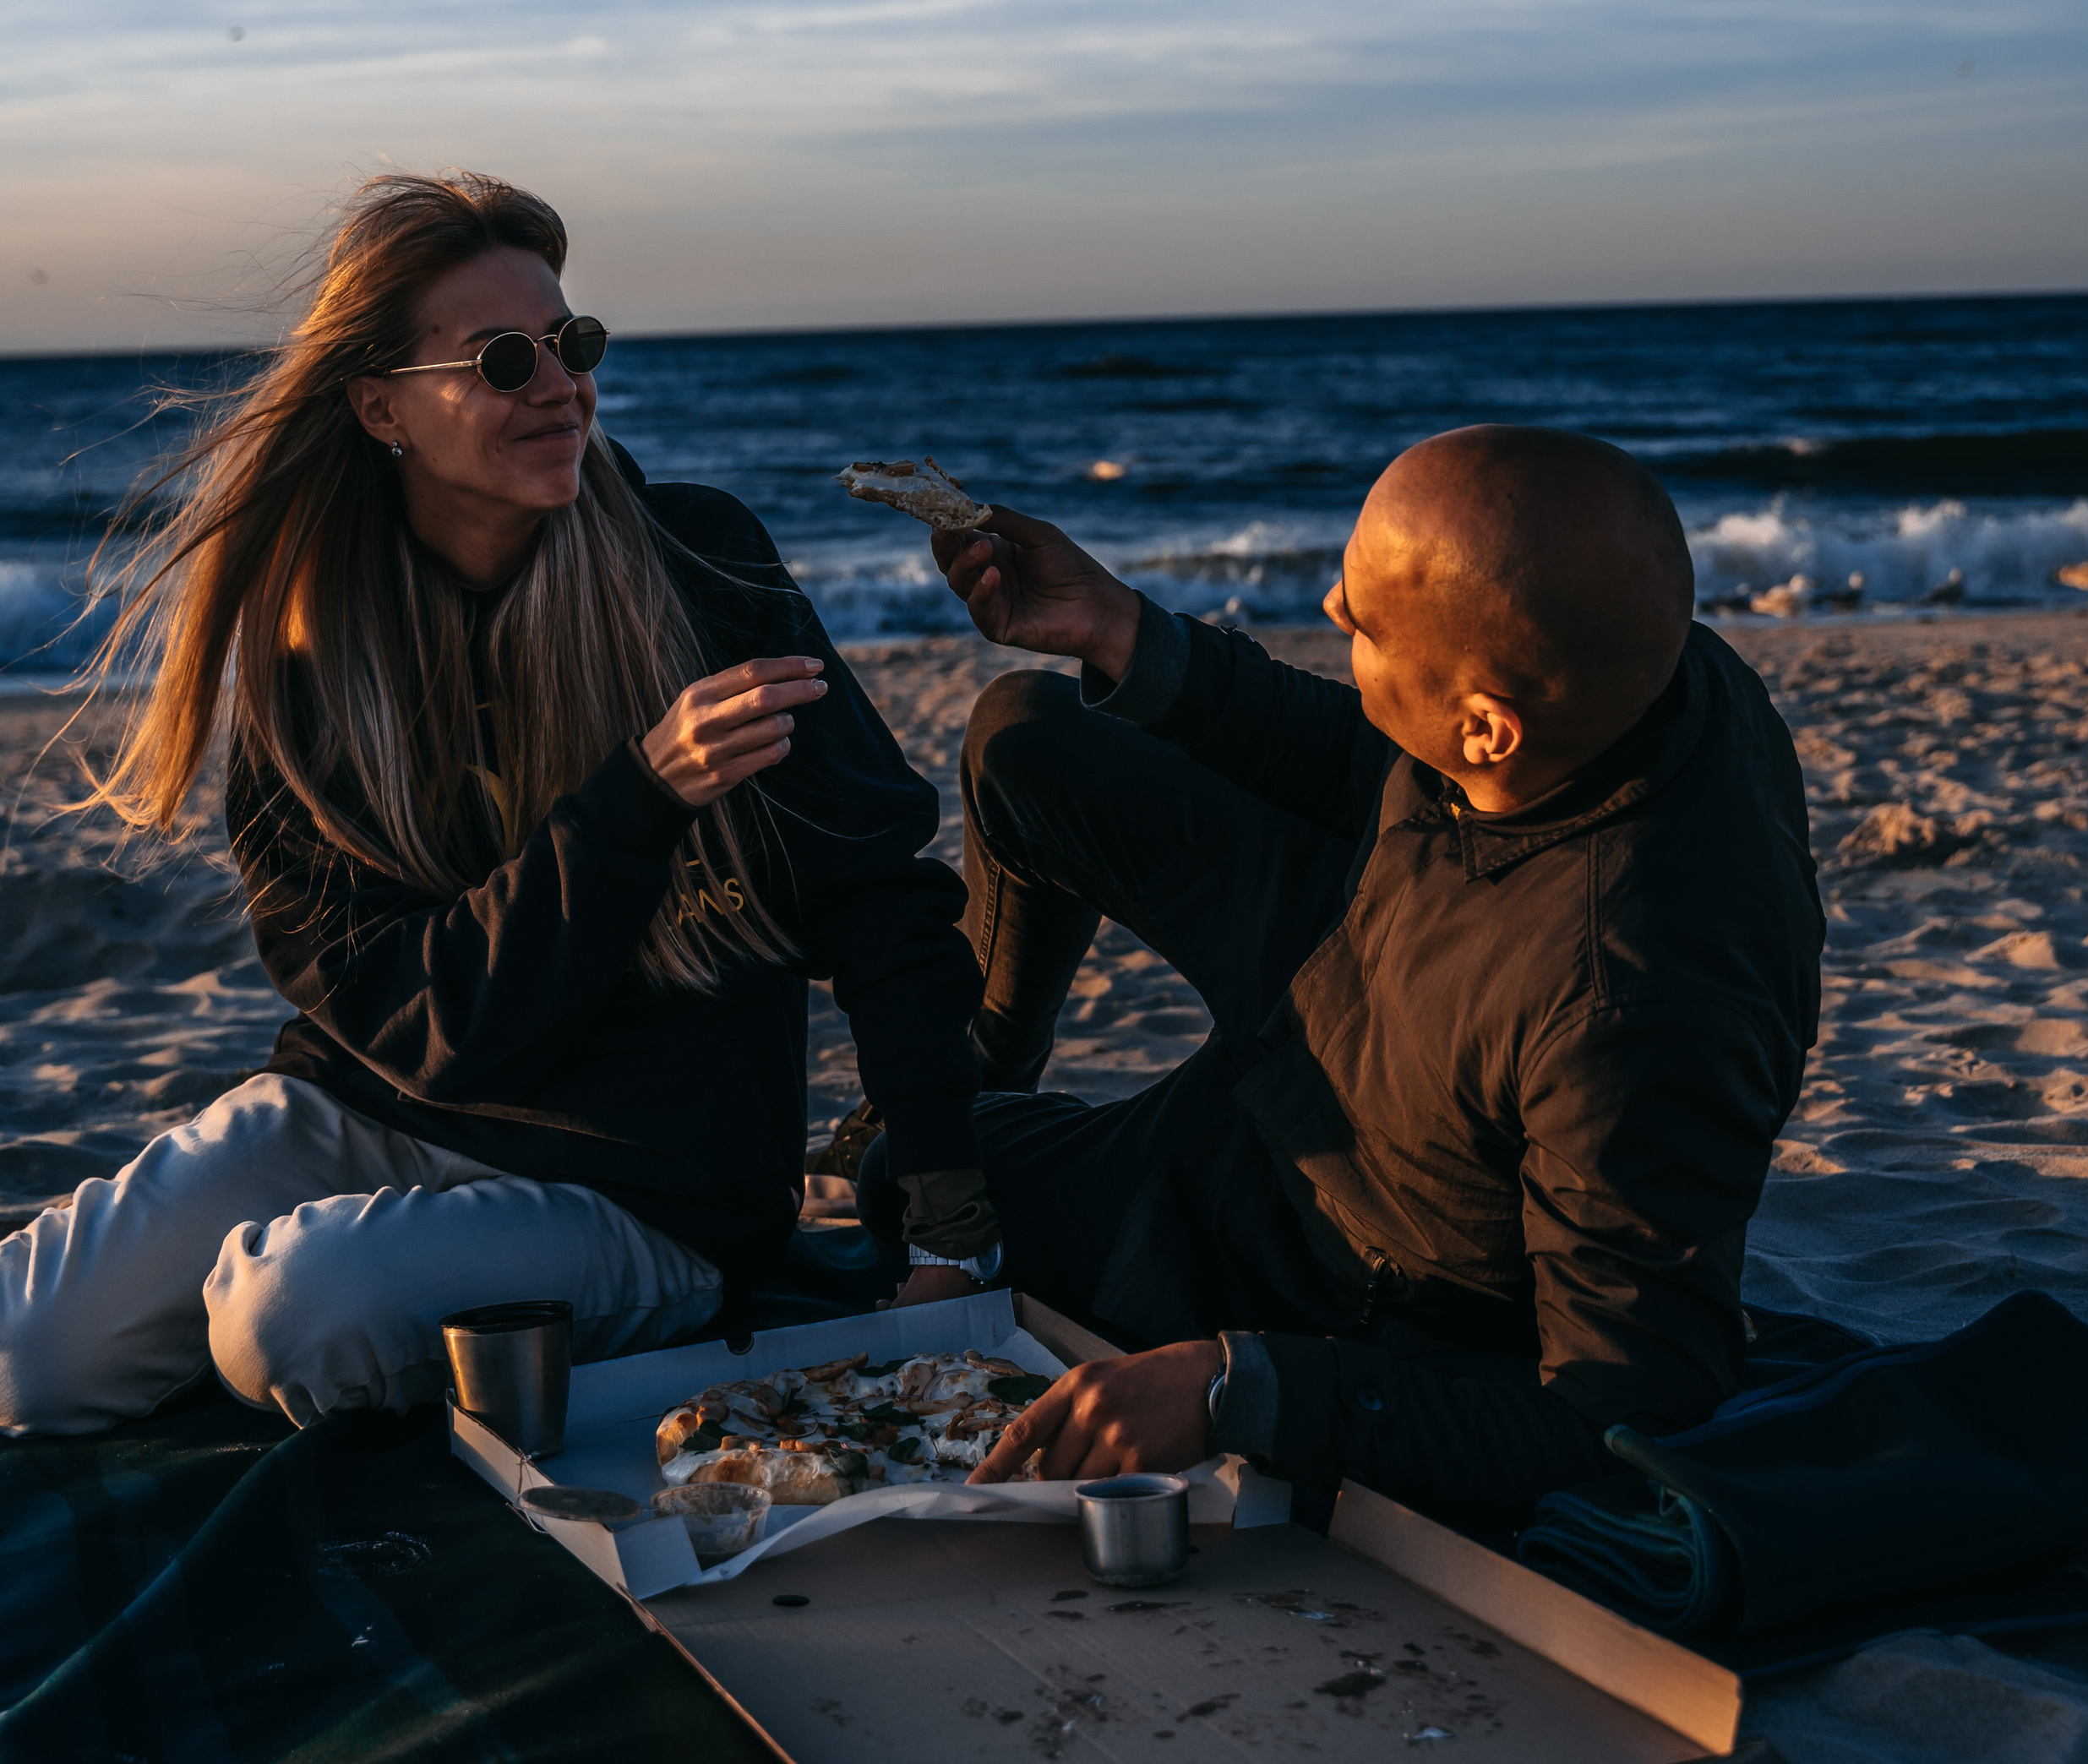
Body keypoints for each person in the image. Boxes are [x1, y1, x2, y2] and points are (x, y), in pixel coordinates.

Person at [0, 172, 979, 1434]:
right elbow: (413, 1021)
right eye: (505, 359)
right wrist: (637, 801)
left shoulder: (698, 569)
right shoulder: (316, 654)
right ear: (380, 408)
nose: (562, 386)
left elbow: (883, 898)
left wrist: (951, 1228)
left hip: (644, 1194)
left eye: (572, 345)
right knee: (31, 1352)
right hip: (369, 1111)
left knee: (292, 1316)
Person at [874, 424, 1824, 1537]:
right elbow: (1368, 753)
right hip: (1363, 954)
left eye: (1363, 620)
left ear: (1484, 729)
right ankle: (987, 1084)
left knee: (911, 1178)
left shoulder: (1633, 1006)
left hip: (1334, 1242)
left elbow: (1624, 1419)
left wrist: (1242, 1387)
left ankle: (1006, 1139)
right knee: (1030, 735)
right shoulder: (1642, 675)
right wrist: (1120, 627)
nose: (1332, 610)